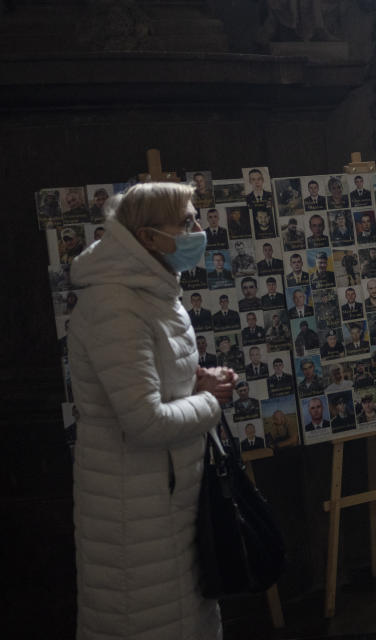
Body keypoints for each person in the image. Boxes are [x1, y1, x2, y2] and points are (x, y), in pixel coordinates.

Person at [67, 183, 237, 639]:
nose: (198, 231)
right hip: (135, 507)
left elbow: (154, 385)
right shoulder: (116, 305)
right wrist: (210, 401)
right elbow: (143, 420)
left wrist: (195, 383)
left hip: (166, 498)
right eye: (185, 223)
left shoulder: (150, 291)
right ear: (146, 238)